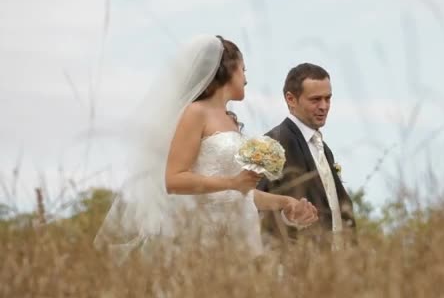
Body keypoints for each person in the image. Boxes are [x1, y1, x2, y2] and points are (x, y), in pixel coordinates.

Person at [94, 35, 317, 264]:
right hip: (207, 234)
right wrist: (233, 183)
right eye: (243, 69)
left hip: (243, 234)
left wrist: (285, 203)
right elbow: (173, 180)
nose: (246, 79)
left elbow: (238, 193)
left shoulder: (231, 121)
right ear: (228, 71)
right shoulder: (195, 113)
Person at [258, 63, 356, 251]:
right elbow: (254, 205)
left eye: (328, 99)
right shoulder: (272, 143)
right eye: (315, 100)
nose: (324, 106)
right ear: (291, 99)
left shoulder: (323, 149)